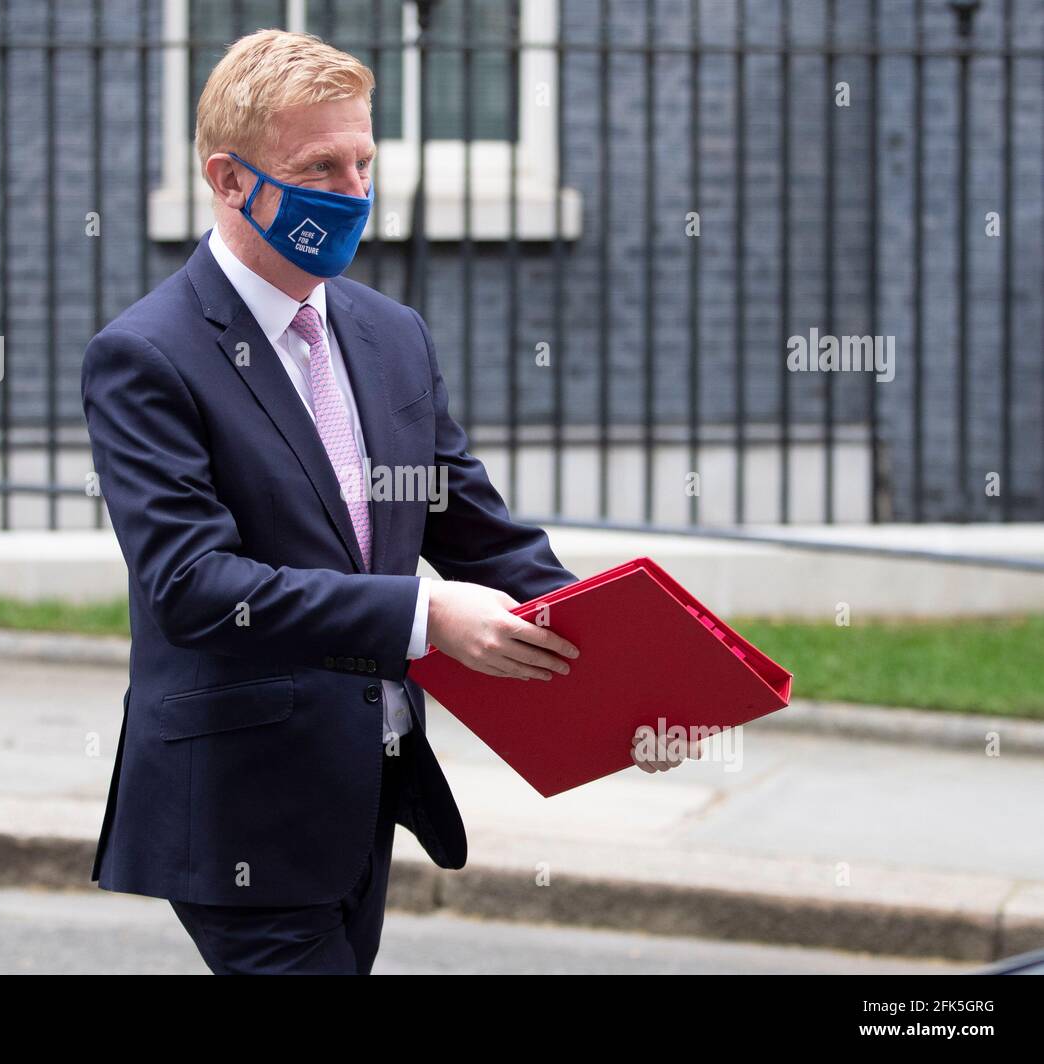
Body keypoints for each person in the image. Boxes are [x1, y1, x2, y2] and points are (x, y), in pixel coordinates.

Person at [80, 29, 690, 976]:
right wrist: (425, 615)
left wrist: (623, 690)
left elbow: (477, 532)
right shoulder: (147, 356)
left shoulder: (391, 334)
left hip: (364, 790)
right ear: (229, 179)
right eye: (318, 168)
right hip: (236, 808)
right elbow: (193, 587)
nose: (353, 191)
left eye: (363, 161)